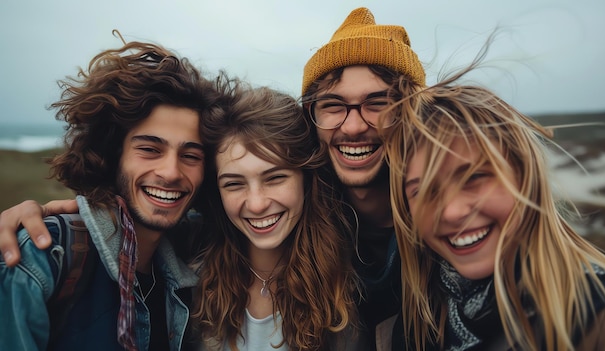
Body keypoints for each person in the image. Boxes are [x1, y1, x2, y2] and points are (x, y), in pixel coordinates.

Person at [0, 6, 424, 349]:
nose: (353, 125)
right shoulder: (183, 268)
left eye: (378, 102)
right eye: (234, 182)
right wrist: (78, 220)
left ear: (306, 178)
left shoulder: (374, 267)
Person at [0, 40, 228, 350]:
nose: (172, 172)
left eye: (191, 155)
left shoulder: (196, 256)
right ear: (113, 154)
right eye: (149, 149)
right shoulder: (43, 257)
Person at [383, 67, 605, 350]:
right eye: (424, 191)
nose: (452, 212)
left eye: (473, 177)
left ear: (525, 177)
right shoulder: (423, 316)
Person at [190, 83, 362, 350]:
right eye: (234, 184)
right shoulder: (191, 286)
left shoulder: (350, 290)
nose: (257, 204)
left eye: (275, 178)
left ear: (305, 179)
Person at [300, 7, 426, 348]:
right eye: (332, 105)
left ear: (412, 111)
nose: (353, 127)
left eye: (378, 103)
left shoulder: (449, 223)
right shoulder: (290, 226)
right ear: (311, 117)